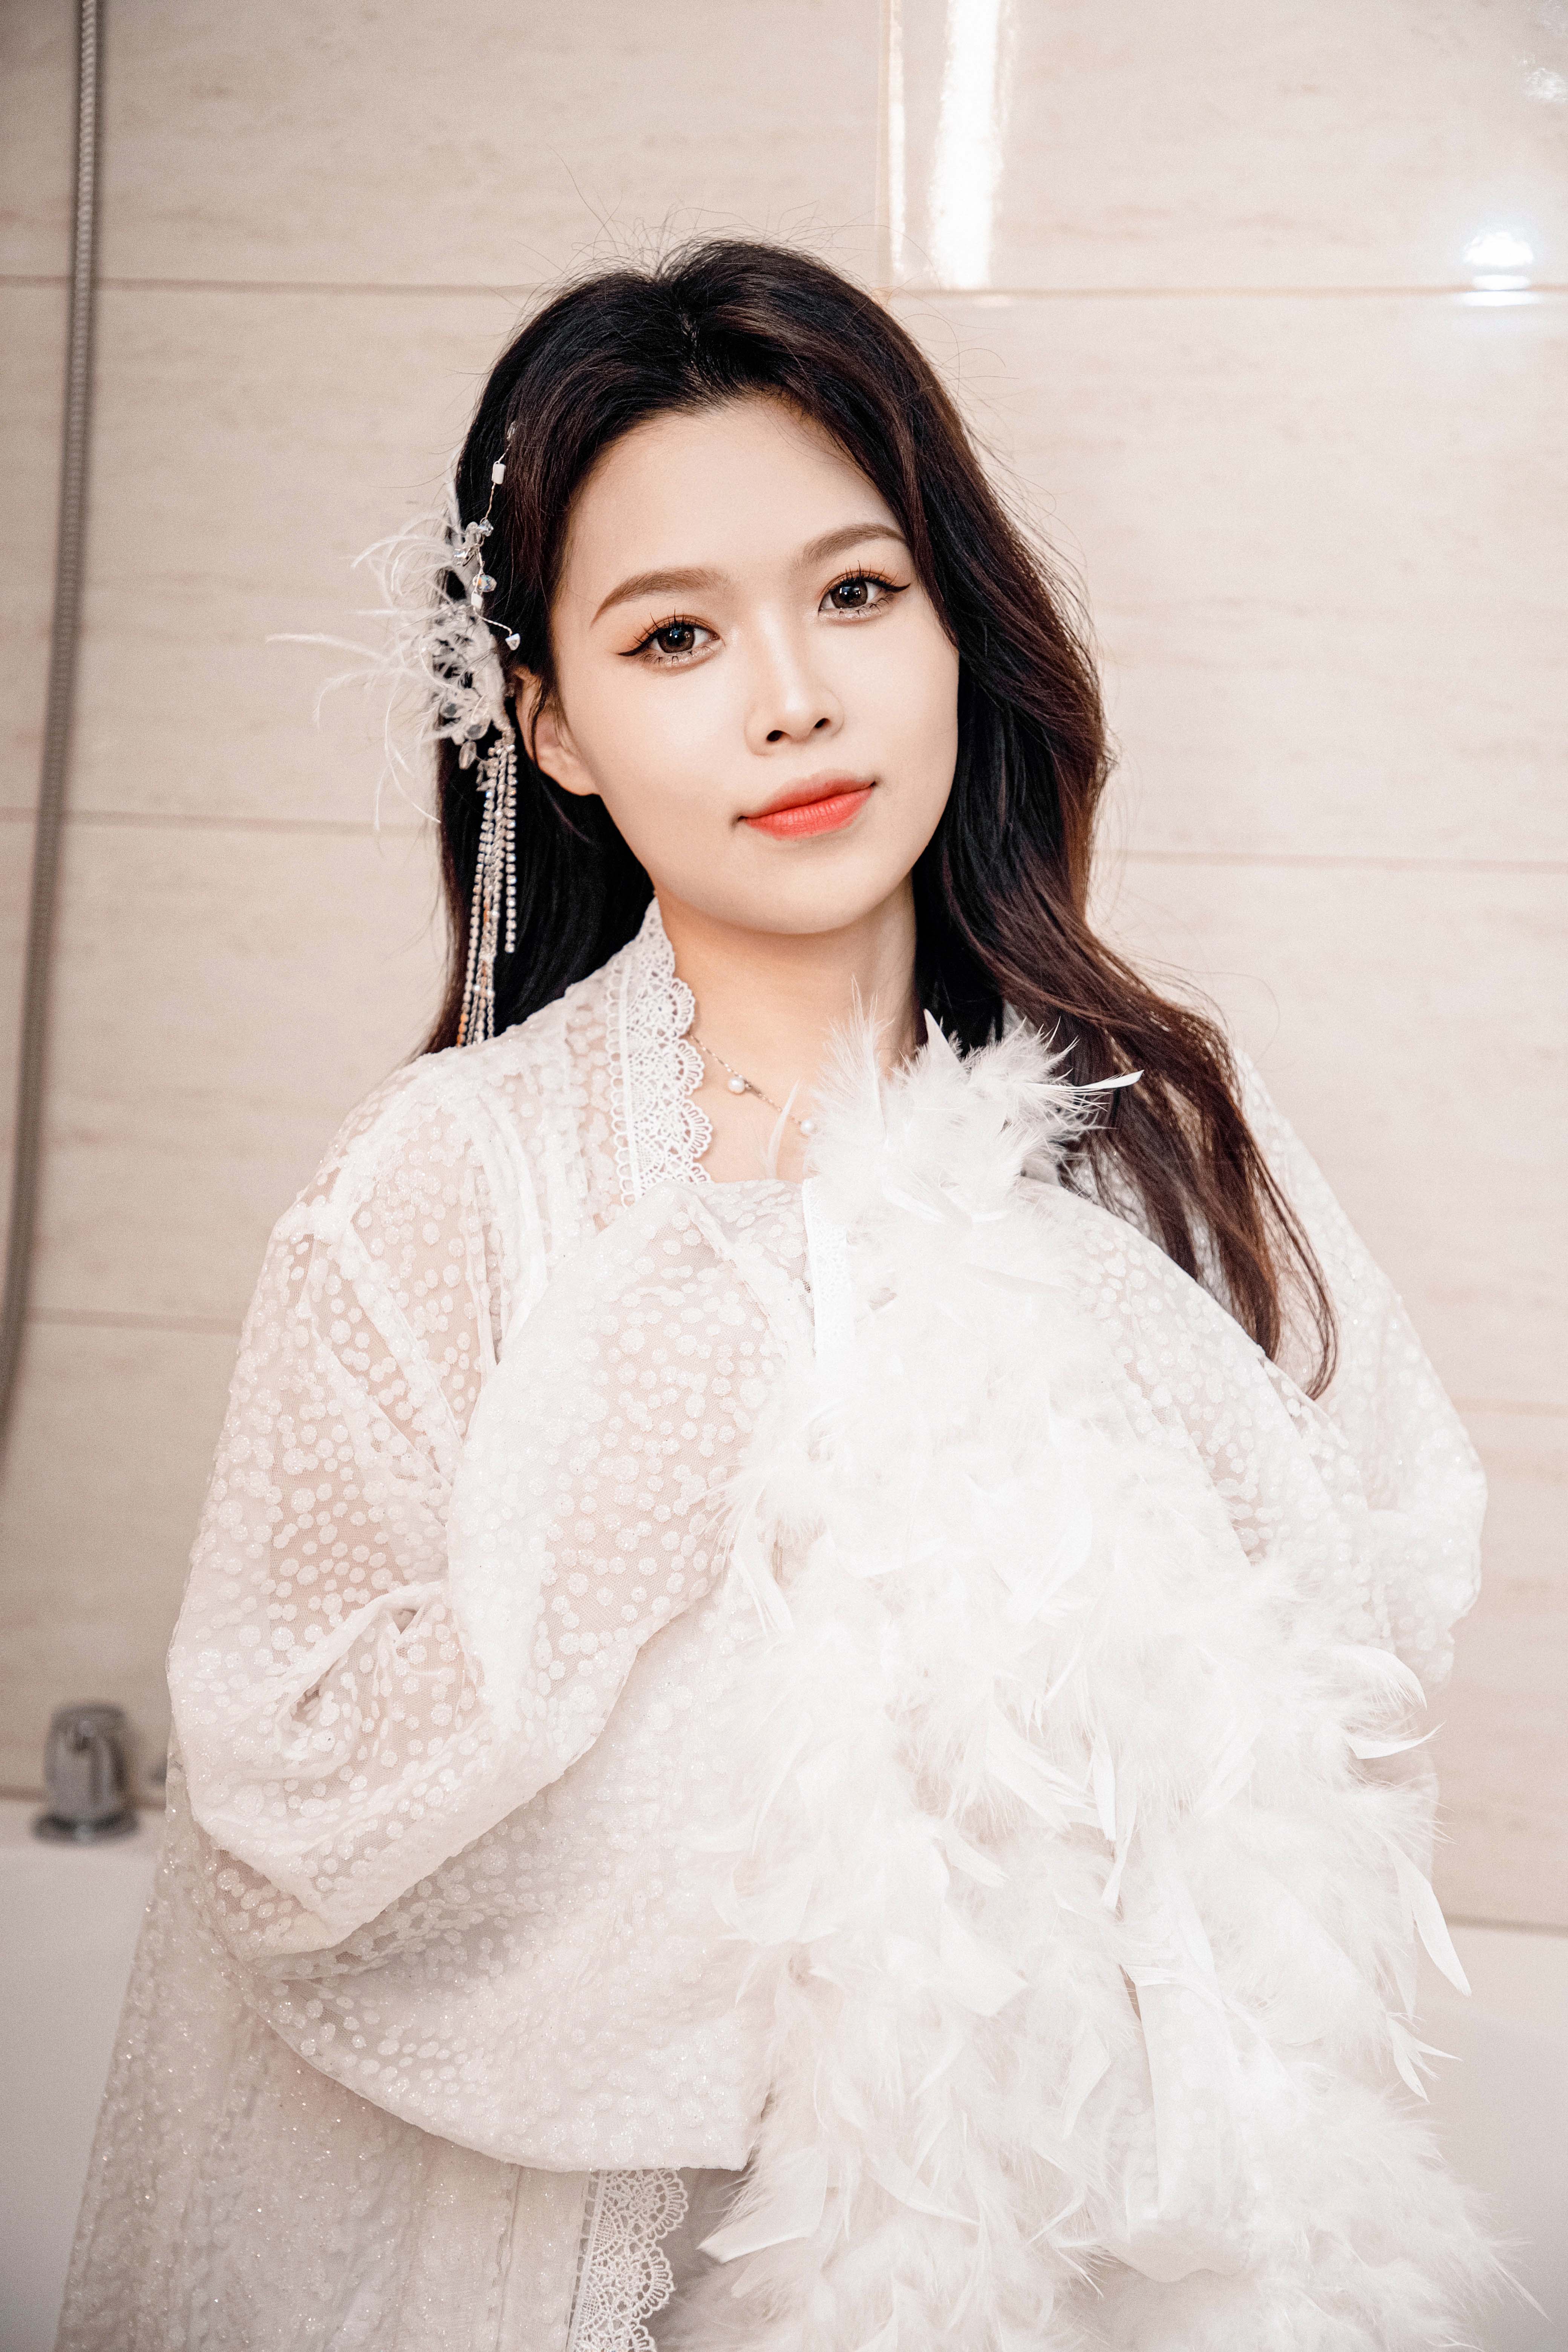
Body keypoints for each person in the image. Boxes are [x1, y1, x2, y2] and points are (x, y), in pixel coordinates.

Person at [59, 240, 1494, 2351]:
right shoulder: (447, 1189)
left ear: (955, 625)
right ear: (550, 723)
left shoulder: (1161, 1126)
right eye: (673, 634)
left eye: (856, 592)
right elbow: (292, 1806)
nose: (793, 698)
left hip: (1104, 2249)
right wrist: (623, 1525)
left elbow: (1375, 1595)